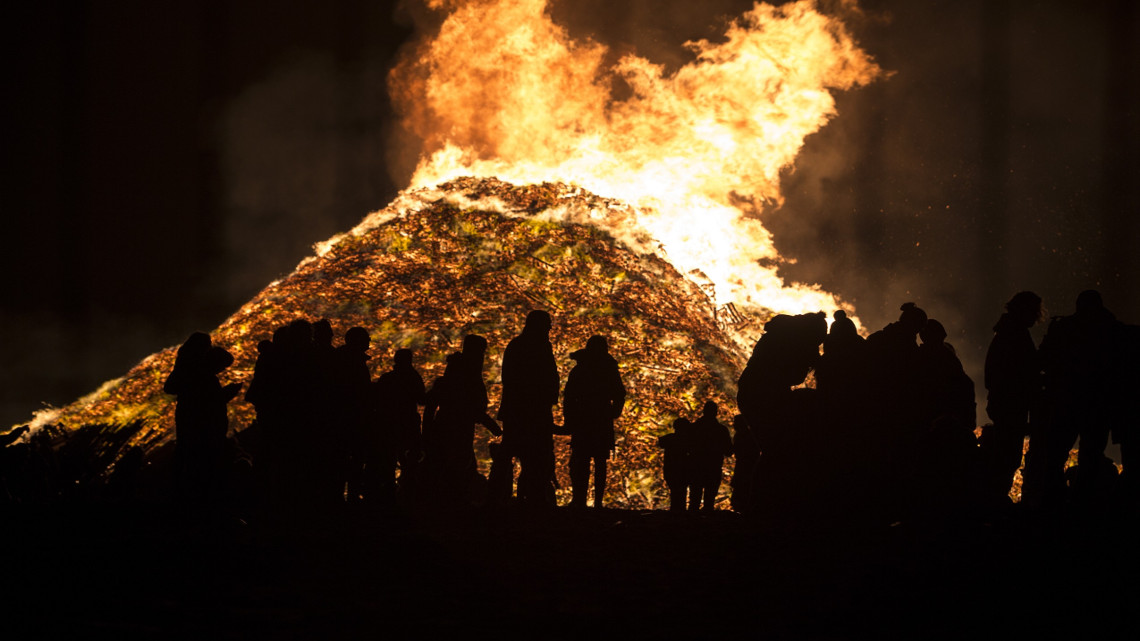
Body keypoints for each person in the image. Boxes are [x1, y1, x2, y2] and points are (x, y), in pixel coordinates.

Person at [1025, 290, 1121, 506]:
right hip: (1096, 404)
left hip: (1066, 401)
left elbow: (1043, 360)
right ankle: (1081, 505)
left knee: (1056, 454)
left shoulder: (1064, 328)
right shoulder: (1109, 330)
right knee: (1090, 457)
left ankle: (1053, 502)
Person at [979, 292, 1043, 504]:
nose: (1036, 316)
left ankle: (992, 500)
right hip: (1010, 405)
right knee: (1007, 456)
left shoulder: (1008, 333)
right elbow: (1020, 372)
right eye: (1034, 311)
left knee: (1006, 455)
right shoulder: (1014, 335)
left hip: (1006, 404)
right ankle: (993, 501)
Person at [497, 311, 560, 505]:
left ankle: (503, 496)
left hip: (520, 410)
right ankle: (529, 497)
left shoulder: (518, 345)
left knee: (516, 454)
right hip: (531, 411)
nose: (550, 328)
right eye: (547, 324)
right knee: (534, 455)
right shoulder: (537, 347)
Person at [563, 335, 625, 508]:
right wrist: (614, 411)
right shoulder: (609, 369)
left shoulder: (580, 370)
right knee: (599, 461)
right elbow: (619, 393)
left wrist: (569, 419)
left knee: (581, 461)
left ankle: (580, 499)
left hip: (583, 419)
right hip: (601, 419)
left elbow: (569, 397)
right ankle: (596, 501)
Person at [689, 401, 733, 512]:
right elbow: (728, 451)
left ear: (704, 411)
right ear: (716, 413)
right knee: (709, 500)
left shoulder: (694, 428)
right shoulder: (721, 430)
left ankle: (690, 523)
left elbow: (687, 447)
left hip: (696, 466)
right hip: (714, 467)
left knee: (694, 499)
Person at [658, 418, 693, 512]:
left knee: (674, 492)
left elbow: (661, 442)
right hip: (683, 471)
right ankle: (680, 512)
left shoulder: (670, 439)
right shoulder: (688, 441)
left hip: (671, 470)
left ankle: (675, 511)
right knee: (681, 492)